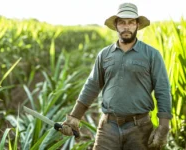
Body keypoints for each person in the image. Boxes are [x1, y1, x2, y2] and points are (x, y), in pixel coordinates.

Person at [59, 2, 172, 150]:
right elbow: (92, 85)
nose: (126, 27)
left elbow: (162, 89)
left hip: (140, 128)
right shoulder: (104, 54)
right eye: (122, 22)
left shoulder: (151, 55)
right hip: (108, 128)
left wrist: (163, 127)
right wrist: (74, 117)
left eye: (131, 22)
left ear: (137, 25)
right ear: (116, 25)